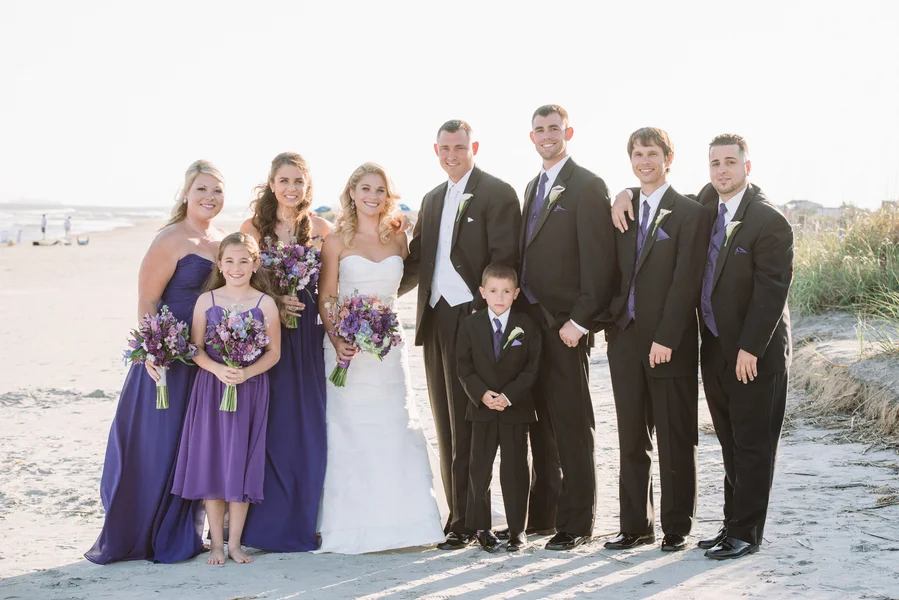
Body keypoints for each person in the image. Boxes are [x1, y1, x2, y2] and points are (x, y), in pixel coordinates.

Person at [610, 134, 794, 560]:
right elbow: (661, 194)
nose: (722, 170)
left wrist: (750, 348)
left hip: (754, 353)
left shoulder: (769, 220)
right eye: (715, 163)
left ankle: (746, 534)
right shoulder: (709, 203)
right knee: (730, 441)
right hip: (715, 347)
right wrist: (625, 193)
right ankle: (731, 524)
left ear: (748, 166)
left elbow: (772, 291)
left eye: (730, 162)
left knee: (753, 445)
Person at [85, 160, 227, 564]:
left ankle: (179, 531)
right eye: (202, 189)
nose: (210, 197)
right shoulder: (170, 238)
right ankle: (142, 532)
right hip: (168, 358)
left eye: (217, 190)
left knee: (191, 444)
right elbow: (147, 299)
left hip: (205, 357)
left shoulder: (221, 241)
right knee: (157, 442)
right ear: (186, 193)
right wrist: (154, 351)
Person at [399, 120, 521, 550]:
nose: (452, 155)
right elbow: (418, 261)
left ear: (474, 148)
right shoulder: (431, 199)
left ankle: (476, 521)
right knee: (447, 423)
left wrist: (486, 317)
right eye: (445, 148)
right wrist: (376, 293)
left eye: (459, 147)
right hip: (436, 320)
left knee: (475, 423)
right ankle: (458, 518)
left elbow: (504, 261)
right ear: (436, 151)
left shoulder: (498, 193)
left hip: (475, 320)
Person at [316, 163, 444, 554]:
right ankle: (349, 522)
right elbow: (327, 296)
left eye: (380, 190)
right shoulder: (336, 241)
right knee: (349, 428)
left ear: (388, 196)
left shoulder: (398, 238)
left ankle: (406, 520)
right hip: (347, 353)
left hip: (389, 349)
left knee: (394, 424)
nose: (373, 196)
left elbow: (410, 277)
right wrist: (338, 338)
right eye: (366, 189)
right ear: (352, 193)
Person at [597, 128, 709, 553]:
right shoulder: (623, 209)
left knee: (675, 436)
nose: (644, 161)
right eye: (638, 154)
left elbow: (687, 282)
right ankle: (635, 526)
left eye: (652, 154)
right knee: (631, 436)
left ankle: (676, 527)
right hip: (624, 338)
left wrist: (667, 337)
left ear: (669, 158)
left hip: (669, 342)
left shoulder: (691, 213)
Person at [517, 104, 616, 550]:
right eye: (539, 129)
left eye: (554, 128)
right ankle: (545, 515)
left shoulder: (588, 185)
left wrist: (580, 320)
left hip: (565, 327)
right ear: (532, 136)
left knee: (572, 425)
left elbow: (600, 263)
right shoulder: (531, 186)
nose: (546, 135)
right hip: (530, 325)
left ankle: (577, 523)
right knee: (540, 425)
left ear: (568, 132)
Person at [172, 232, 281, 565]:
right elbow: (195, 349)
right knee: (213, 462)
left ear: (255, 264)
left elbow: (274, 353)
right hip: (212, 388)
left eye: (244, 261)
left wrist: (246, 373)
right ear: (219, 264)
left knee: (241, 463)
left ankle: (235, 543)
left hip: (249, 390)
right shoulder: (207, 301)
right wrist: (218, 370)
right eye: (230, 261)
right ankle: (216, 544)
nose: (236, 267)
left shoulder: (265, 303)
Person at [240, 152, 330, 552]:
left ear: (307, 186)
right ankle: (260, 526)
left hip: (306, 336)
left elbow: (329, 290)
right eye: (284, 180)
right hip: (267, 334)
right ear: (272, 184)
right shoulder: (253, 228)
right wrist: (275, 301)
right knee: (269, 424)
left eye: (298, 181)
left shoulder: (322, 229)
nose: (291, 188)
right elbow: (238, 279)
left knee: (306, 426)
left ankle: (301, 521)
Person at [456, 263, 541, 553]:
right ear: (482, 292)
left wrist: (508, 396)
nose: (500, 297)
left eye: (506, 291)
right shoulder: (470, 325)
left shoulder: (526, 325)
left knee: (515, 469)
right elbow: (463, 367)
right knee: (479, 469)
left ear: (516, 293)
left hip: (515, 409)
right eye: (493, 291)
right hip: (481, 409)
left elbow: (532, 368)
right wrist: (482, 394)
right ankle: (482, 528)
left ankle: (518, 530)